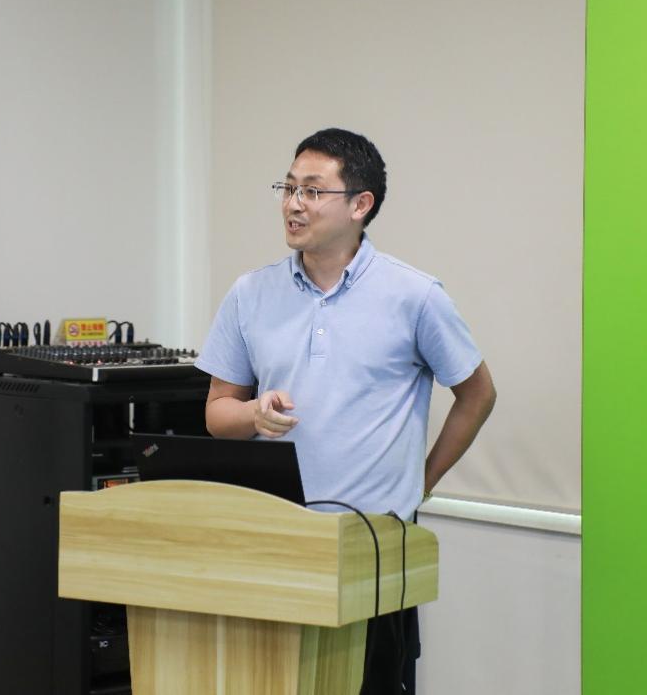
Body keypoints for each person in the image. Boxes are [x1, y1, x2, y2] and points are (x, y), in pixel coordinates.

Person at [195, 127, 496, 692]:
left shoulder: (415, 296)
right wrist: (255, 414)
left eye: (312, 190)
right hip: (274, 543)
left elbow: (477, 394)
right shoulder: (250, 294)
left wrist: (421, 483)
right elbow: (217, 412)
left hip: (372, 547)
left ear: (361, 205)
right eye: (288, 187)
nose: (293, 203)